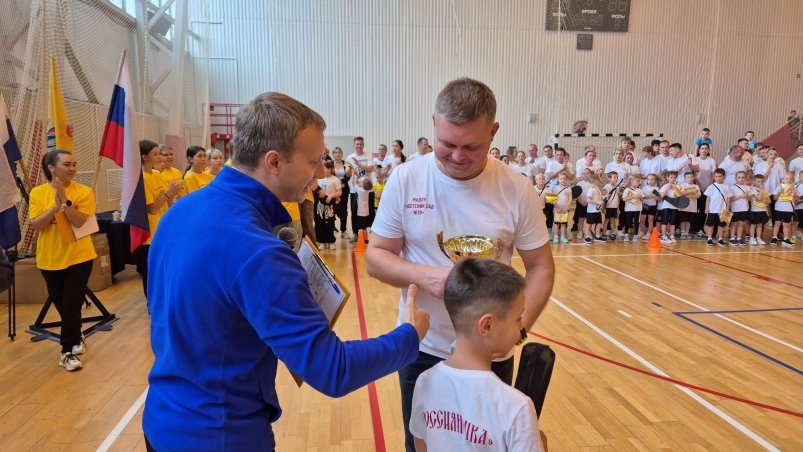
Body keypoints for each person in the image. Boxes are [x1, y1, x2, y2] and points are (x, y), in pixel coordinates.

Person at [142, 92, 430, 451]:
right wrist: (408, 336)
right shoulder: (259, 252)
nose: (321, 173)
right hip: (221, 435)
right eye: (312, 162)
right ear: (274, 162)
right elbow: (332, 370)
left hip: (162, 420)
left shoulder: (177, 214)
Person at [365, 78, 554, 452]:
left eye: (472, 146)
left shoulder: (517, 189)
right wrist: (428, 277)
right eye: (447, 144)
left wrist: (516, 330)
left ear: (494, 132)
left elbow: (541, 267)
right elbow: (376, 257)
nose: (456, 156)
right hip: (421, 347)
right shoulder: (406, 179)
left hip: (490, 354)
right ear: (433, 122)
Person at [410, 259, 544, 452]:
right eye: (517, 318)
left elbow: (421, 445)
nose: (522, 325)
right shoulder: (517, 407)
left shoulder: (424, 381)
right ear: (487, 325)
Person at [28, 150, 97, 372]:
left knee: (71, 304)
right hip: (49, 258)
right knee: (63, 305)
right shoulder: (38, 193)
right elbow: (37, 224)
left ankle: (66, 352)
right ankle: (76, 335)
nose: (72, 168)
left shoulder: (84, 191)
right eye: (67, 164)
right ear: (51, 168)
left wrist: (65, 201)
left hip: (79, 256)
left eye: (74, 164)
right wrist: (55, 206)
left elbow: (78, 222)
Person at [137, 140, 181, 299]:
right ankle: (152, 303)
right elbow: (152, 208)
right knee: (150, 271)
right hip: (149, 233)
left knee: (164, 268)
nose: (159, 157)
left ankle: (164, 299)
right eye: (155, 154)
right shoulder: (142, 178)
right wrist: (169, 193)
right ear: (144, 157)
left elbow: (167, 201)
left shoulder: (156, 174)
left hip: (163, 229)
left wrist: (174, 197)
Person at [345, 136, 375, 242]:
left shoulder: (368, 155)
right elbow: (347, 173)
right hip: (355, 190)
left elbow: (370, 169)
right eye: (357, 144)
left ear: (363, 144)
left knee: (369, 212)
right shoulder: (349, 157)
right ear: (354, 145)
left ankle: (366, 234)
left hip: (368, 190)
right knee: (355, 212)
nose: (359, 146)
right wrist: (349, 170)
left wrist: (358, 164)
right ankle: (355, 234)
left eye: (360, 144)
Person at [313, 160, 342, 250]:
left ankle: (331, 241)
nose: (322, 170)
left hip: (330, 203)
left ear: (329, 169)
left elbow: (340, 192)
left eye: (324, 168)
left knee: (330, 222)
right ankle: (322, 241)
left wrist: (331, 196)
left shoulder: (335, 179)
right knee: (320, 222)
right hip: (320, 204)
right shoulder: (319, 179)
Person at [704, 168, 731, 246]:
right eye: (716, 176)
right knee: (710, 225)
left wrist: (728, 208)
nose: (718, 178)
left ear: (724, 177)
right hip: (712, 210)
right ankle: (709, 238)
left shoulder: (727, 187)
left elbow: (729, 198)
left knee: (721, 226)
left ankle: (720, 239)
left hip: (723, 210)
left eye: (720, 176)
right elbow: (708, 198)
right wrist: (706, 208)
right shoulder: (711, 187)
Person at [770, 171, 797, 247]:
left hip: (788, 209)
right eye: (787, 179)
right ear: (783, 180)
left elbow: (797, 200)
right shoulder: (779, 187)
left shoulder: (794, 188)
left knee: (786, 224)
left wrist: (794, 194)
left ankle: (786, 239)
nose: (788, 180)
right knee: (777, 223)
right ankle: (774, 237)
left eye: (790, 179)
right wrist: (779, 192)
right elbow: (774, 198)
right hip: (778, 208)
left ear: (793, 180)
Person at [331, 147, 351, 238]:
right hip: (332, 190)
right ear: (333, 154)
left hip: (344, 190)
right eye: (335, 153)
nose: (337, 154)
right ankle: (331, 229)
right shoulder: (330, 164)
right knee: (333, 209)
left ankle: (343, 230)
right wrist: (336, 181)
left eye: (339, 153)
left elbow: (348, 176)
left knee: (344, 211)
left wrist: (341, 181)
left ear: (342, 154)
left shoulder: (346, 164)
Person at [728, 171, 751, 246]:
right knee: (734, 224)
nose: (741, 179)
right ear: (736, 178)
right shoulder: (732, 187)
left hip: (744, 208)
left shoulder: (748, 187)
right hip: (735, 209)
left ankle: (738, 238)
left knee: (741, 224)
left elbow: (750, 199)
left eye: (743, 177)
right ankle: (732, 238)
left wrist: (747, 196)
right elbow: (731, 199)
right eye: (739, 177)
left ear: (745, 178)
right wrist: (740, 196)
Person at [549, 173, 572, 244]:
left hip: (565, 209)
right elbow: (553, 199)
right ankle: (555, 236)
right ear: (558, 180)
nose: (563, 180)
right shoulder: (555, 188)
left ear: (567, 180)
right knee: (556, 223)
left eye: (564, 179)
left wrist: (566, 208)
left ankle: (562, 236)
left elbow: (570, 199)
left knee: (563, 223)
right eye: (561, 179)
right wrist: (557, 207)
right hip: (557, 209)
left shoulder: (568, 188)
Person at [748, 174, 770, 245]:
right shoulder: (753, 189)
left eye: (762, 181)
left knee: (760, 224)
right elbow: (759, 198)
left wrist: (764, 199)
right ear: (754, 181)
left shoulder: (765, 190)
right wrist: (761, 191)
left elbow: (769, 201)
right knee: (753, 224)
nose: (760, 183)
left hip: (763, 210)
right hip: (755, 211)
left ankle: (758, 238)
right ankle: (752, 238)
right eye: (758, 181)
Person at [583, 172, 604, 244]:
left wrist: (604, 197)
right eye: (599, 180)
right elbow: (588, 200)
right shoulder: (591, 189)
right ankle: (586, 236)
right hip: (591, 211)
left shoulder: (597, 188)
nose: (600, 181)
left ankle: (597, 236)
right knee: (589, 223)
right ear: (596, 181)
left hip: (597, 210)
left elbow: (599, 198)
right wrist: (598, 202)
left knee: (599, 222)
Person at [621, 175, 643, 242]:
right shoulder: (627, 190)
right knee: (628, 222)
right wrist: (633, 196)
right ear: (631, 181)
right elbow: (624, 199)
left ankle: (635, 236)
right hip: (629, 209)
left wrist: (640, 197)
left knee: (636, 222)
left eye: (639, 181)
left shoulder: (639, 190)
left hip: (637, 209)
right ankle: (626, 235)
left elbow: (642, 200)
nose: (638, 183)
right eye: (637, 181)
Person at [639, 174, 660, 240]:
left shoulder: (657, 188)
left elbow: (658, 198)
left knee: (650, 220)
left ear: (655, 180)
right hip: (645, 205)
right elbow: (641, 196)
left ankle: (648, 233)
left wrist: (651, 196)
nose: (650, 181)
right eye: (649, 179)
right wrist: (644, 197)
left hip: (652, 206)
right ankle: (642, 231)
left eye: (652, 179)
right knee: (642, 220)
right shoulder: (644, 187)